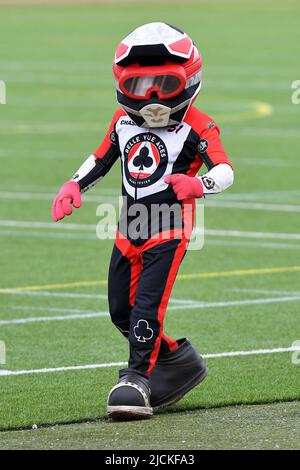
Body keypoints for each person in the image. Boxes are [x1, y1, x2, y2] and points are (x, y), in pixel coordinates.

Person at [52, 22, 234, 420]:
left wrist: (198, 184)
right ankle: (179, 361)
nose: (151, 96)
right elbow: (101, 159)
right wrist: (74, 184)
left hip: (169, 226)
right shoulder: (122, 122)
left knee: (147, 308)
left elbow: (224, 170)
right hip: (128, 225)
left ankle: (136, 378)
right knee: (120, 309)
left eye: (163, 83)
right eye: (140, 85)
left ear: (188, 79)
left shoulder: (198, 125)